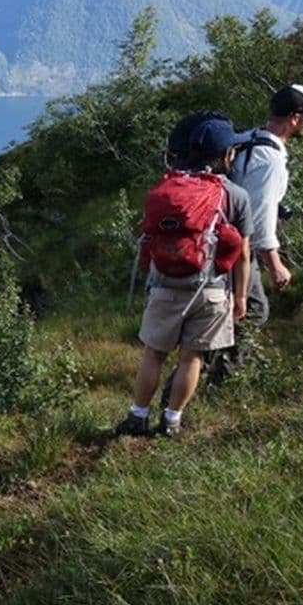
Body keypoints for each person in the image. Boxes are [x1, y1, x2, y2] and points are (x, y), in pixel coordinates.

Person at [116, 119, 253, 438]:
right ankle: (172, 420)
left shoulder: (167, 188)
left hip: (164, 285)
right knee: (192, 356)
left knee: (154, 353)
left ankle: (138, 416)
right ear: (227, 155)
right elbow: (243, 253)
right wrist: (242, 297)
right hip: (211, 289)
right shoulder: (235, 195)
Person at [217, 84, 303, 376]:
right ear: (294, 117)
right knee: (253, 310)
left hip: (213, 237)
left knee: (228, 311)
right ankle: (222, 379)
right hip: (235, 246)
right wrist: (276, 265)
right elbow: (260, 218)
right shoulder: (270, 160)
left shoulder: (246, 139)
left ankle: (204, 375)